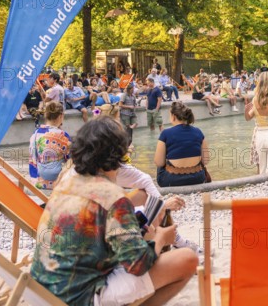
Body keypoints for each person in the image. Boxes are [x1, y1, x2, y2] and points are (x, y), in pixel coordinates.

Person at [30, 117, 197, 305]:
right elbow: (138, 265)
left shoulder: (69, 180)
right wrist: (160, 239)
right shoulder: (112, 196)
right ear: (117, 153)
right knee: (187, 259)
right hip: (79, 296)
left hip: (42, 289)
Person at [155, 102, 210, 186]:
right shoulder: (198, 131)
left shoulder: (165, 133)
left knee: (160, 162)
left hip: (172, 180)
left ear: (173, 116)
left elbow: (159, 163)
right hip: (197, 178)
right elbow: (205, 161)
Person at [29, 102, 71, 190]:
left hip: (38, 181)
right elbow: (70, 159)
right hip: (58, 182)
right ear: (60, 116)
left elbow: (32, 158)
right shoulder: (63, 135)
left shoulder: (36, 134)